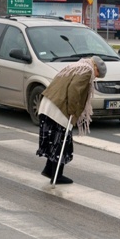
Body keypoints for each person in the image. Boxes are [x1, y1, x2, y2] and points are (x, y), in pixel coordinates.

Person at [36, 56, 107, 184]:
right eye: (97, 75)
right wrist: (72, 110)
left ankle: (49, 169)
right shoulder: (86, 71)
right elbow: (74, 89)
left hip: (49, 104)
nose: (95, 77)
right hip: (59, 108)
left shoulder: (75, 66)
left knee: (54, 141)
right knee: (62, 143)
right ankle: (56, 176)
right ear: (95, 67)